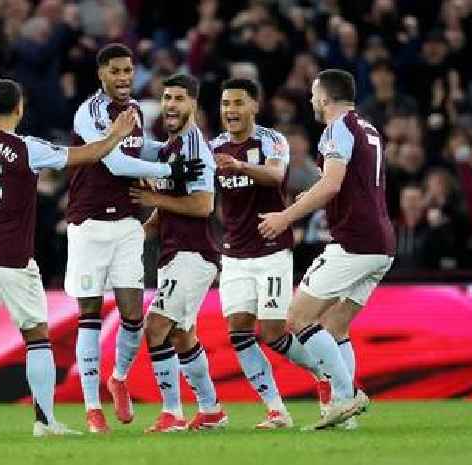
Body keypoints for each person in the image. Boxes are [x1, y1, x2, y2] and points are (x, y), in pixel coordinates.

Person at [0, 63, 138, 438]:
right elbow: (84, 155)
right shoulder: (27, 148)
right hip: (13, 261)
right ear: (19, 109)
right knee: (37, 337)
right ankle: (44, 421)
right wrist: (115, 134)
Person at [66, 43, 204, 433]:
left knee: (132, 314)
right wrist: (168, 170)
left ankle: (119, 379)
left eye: (128, 70)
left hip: (127, 224)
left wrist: (169, 150)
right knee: (89, 315)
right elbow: (115, 160)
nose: (124, 77)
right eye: (116, 71)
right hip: (88, 224)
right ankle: (93, 409)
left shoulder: (137, 111)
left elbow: (135, 147)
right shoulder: (89, 113)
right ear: (101, 74)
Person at [258, 69, 395, 429]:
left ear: (324, 97)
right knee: (335, 327)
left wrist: (286, 216)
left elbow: (333, 184)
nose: (310, 100)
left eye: (313, 94)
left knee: (296, 318)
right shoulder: (366, 126)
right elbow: (349, 182)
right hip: (381, 244)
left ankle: (347, 394)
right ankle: (343, 413)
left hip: (354, 241)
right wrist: (314, 195)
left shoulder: (337, 128)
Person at [211, 78, 322, 429]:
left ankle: (330, 375)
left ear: (254, 106)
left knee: (274, 332)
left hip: (271, 250)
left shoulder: (273, 141)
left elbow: (275, 176)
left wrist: (241, 167)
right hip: (234, 254)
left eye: (238, 103)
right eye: (226, 104)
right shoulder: (213, 146)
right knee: (238, 332)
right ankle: (276, 410)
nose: (231, 110)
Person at [130, 74, 224, 433]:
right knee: (183, 336)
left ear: (193, 104)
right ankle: (211, 409)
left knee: (155, 328)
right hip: (174, 254)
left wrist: (154, 198)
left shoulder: (196, 148)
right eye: (166, 97)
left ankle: (172, 413)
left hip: (194, 254)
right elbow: (165, 210)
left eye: (178, 98)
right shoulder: (172, 147)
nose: (170, 105)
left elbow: (203, 205)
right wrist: (138, 235)